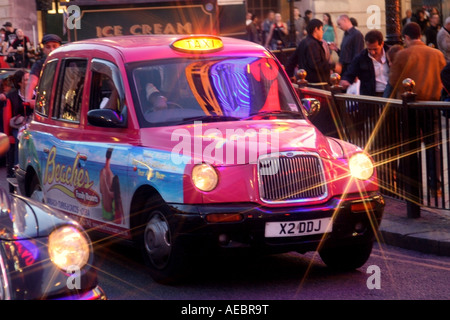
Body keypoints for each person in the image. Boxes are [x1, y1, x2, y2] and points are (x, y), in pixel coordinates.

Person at [285, 19, 337, 137]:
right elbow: (316, 64)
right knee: (323, 118)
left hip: (309, 86)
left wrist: (289, 76)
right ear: (316, 29)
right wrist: (333, 66)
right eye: (321, 29)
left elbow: (291, 61)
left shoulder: (304, 42)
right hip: (318, 87)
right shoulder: (312, 44)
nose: (323, 32)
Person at [389, 22, 446, 101]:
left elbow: (393, 80)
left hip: (410, 103)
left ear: (406, 37)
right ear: (420, 36)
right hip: (433, 103)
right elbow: (444, 78)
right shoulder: (438, 54)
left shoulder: (402, 55)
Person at [340, 30, 390, 97]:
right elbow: (350, 73)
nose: (372, 52)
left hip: (390, 94)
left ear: (382, 44)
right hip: (370, 96)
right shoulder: (361, 58)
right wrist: (345, 80)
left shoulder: (391, 53)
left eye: (375, 49)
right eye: (369, 49)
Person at [2, 69, 32, 177]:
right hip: (19, 125)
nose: (29, 82)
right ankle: (17, 167)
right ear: (20, 83)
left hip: (34, 125)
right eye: (26, 80)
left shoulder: (37, 94)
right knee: (20, 137)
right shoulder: (13, 96)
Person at [24, 34, 62, 107]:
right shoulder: (39, 64)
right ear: (43, 49)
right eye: (48, 47)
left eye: (55, 46)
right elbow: (32, 81)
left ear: (60, 47)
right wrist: (28, 100)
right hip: (47, 102)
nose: (51, 49)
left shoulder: (68, 63)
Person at [99, 147, 123, 223]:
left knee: (106, 172)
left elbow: (101, 190)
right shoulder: (115, 196)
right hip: (110, 216)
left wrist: (104, 182)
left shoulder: (110, 194)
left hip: (106, 216)